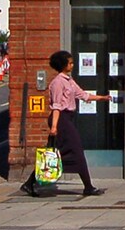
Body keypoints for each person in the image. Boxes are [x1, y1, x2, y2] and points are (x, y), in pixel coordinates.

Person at [45, 51, 110, 198]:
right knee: (76, 150)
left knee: (59, 152)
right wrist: (54, 127)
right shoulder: (57, 83)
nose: (72, 65)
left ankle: (30, 183)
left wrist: (102, 98)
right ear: (63, 65)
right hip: (60, 119)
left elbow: (83, 95)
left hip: (67, 118)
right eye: (70, 63)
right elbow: (56, 106)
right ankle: (88, 186)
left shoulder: (69, 80)